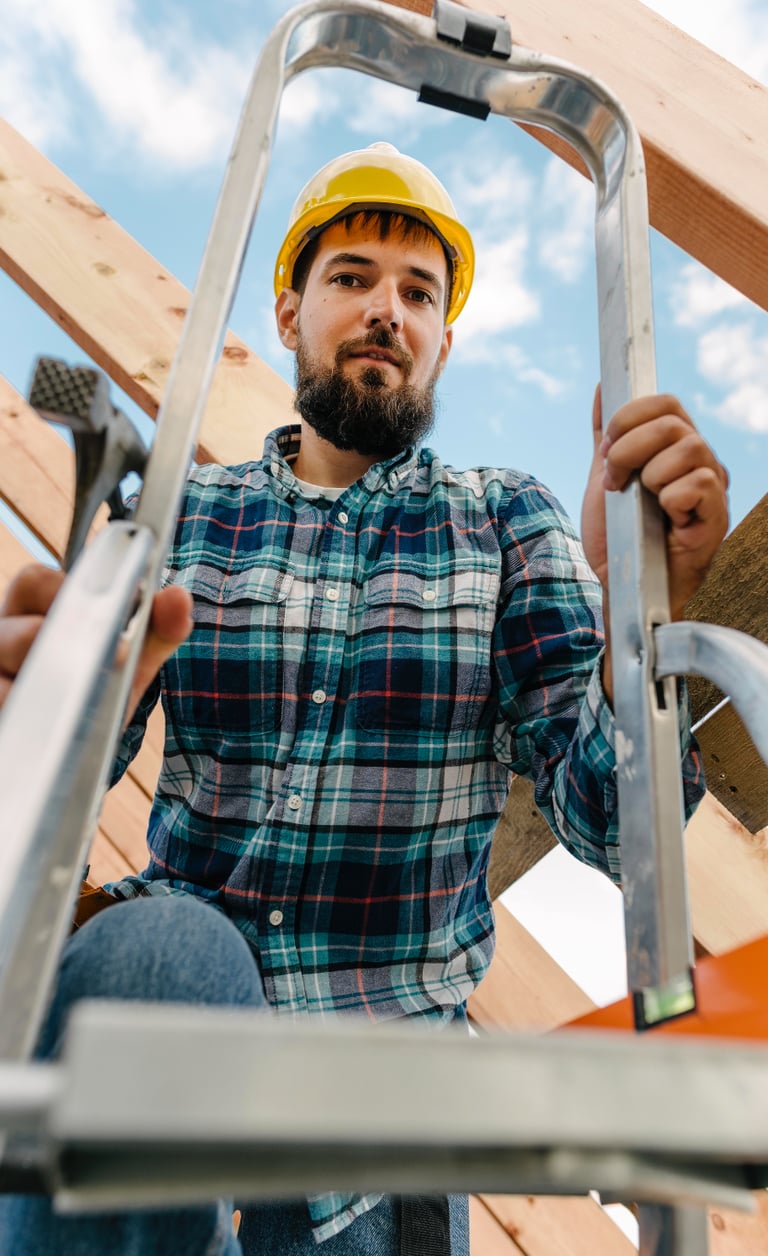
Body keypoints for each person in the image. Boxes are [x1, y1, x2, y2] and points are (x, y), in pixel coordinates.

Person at [0, 143, 729, 1255]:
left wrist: (642, 621)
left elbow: (618, 827)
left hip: (381, 1098)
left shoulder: (503, 520)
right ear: (291, 307)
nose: (386, 308)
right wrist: (49, 706)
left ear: (443, 336)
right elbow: (53, 795)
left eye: (418, 292)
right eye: (352, 277)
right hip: (178, 1024)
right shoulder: (186, 518)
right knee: (158, 950)